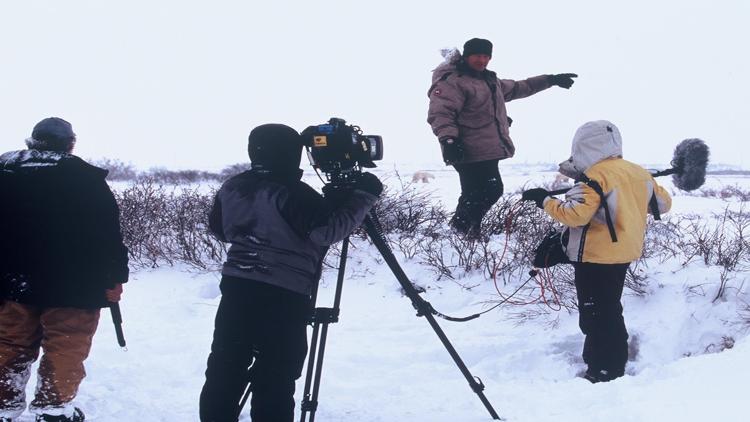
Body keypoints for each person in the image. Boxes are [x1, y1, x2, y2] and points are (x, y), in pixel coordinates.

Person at [199, 124, 383, 422]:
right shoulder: (296, 193)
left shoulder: (233, 186)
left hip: (237, 286)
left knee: (225, 365)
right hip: (284, 293)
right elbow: (326, 232)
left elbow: (219, 229)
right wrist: (362, 196)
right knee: (277, 372)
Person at [521, 120, 672, 383]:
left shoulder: (594, 177)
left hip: (595, 258)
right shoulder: (638, 173)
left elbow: (575, 215)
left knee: (596, 314)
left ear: (583, 146)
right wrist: (633, 191)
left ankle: (605, 369)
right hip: (623, 254)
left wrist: (544, 201)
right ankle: (609, 362)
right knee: (608, 308)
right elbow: (663, 203)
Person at [0, 117, 128, 421]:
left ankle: (3, 405)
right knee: (66, 342)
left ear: (33, 141)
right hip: (74, 283)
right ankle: (53, 410)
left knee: (9, 340)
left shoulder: (5, 171)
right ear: (70, 143)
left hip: (12, 279)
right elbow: (107, 235)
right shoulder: (84, 178)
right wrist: (114, 277)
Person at [427, 37, 578, 238]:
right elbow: (441, 113)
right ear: (466, 56)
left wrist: (550, 80)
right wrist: (449, 140)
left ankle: (465, 231)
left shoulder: (489, 81)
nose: (481, 61)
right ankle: (461, 230)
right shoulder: (454, 81)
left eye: (485, 56)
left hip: (486, 148)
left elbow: (519, 87)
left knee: (476, 192)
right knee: (489, 190)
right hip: (465, 148)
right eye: (477, 56)